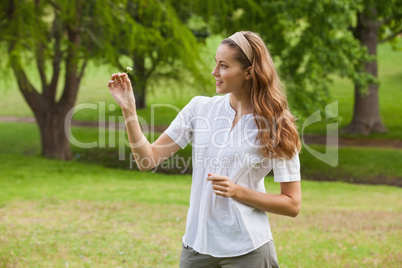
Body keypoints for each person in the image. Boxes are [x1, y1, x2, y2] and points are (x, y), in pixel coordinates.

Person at [107, 31, 301, 268]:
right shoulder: (200, 108)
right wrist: (129, 109)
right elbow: (147, 160)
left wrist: (238, 191)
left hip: (247, 250)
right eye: (215, 63)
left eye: (224, 66)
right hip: (196, 247)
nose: (214, 73)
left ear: (249, 72)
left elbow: (292, 204)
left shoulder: (277, 125)